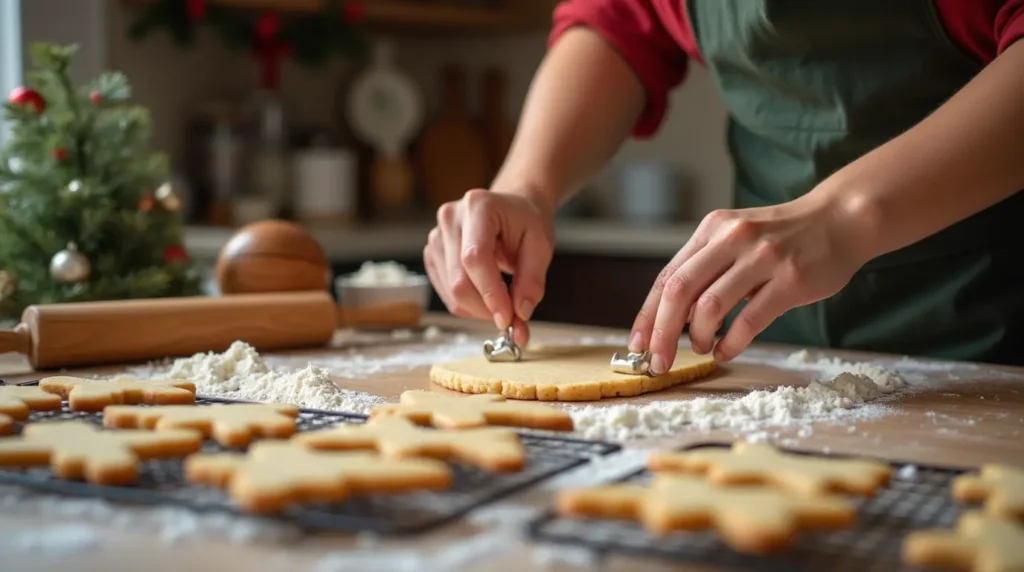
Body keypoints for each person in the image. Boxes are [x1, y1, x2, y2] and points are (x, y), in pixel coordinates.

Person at [423, 1, 1024, 372]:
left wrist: (843, 216)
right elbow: (620, 24)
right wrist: (528, 184)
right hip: (778, 349)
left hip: (994, 338)